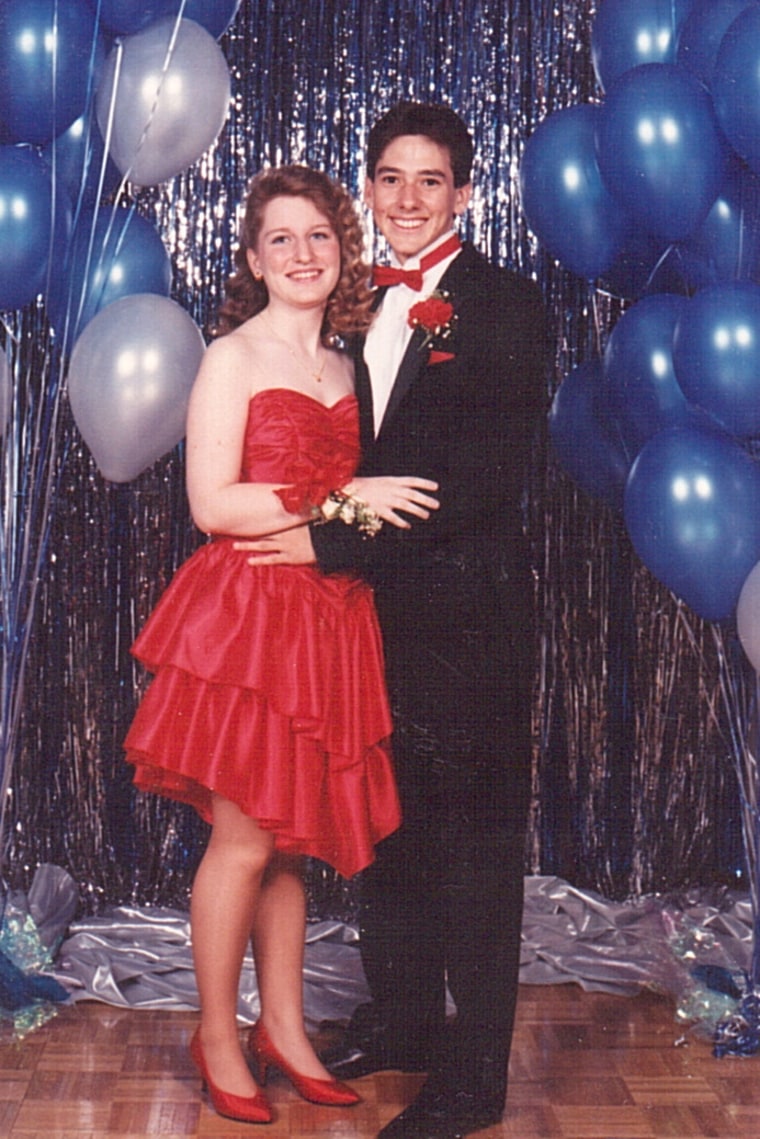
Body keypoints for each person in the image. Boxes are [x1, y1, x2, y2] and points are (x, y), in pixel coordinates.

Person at [236, 103, 548, 1138]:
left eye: (430, 180)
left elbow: (477, 481)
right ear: (367, 190)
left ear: (464, 191)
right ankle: (405, 1019)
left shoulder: (505, 305)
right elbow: (345, 461)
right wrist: (327, 531)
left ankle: (473, 1076)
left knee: (472, 848)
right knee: (391, 832)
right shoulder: (353, 302)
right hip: (369, 620)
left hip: (467, 625)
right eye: (389, 179)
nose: (407, 199)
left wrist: (323, 540)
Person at [123, 164, 439, 1126]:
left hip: (330, 618)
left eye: (320, 236)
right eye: (281, 239)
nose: (303, 254)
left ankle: (287, 1029)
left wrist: (347, 513)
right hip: (252, 620)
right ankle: (218, 1032)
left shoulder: (349, 363)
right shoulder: (233, 356)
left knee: (293, 846)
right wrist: (347, 500)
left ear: (342, 249)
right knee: (246, 836)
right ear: (254, 259)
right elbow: (212, 501)